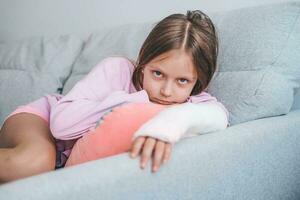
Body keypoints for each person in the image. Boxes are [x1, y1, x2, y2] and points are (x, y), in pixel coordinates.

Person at [0, 10, 228, 183]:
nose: (167, 92)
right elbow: (61, 125)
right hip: (41, 120)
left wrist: (172, 122)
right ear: (144, 62)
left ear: (197, 81)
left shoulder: (192, 102)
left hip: (62, 158)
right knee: (35, 162)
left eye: (182, 81)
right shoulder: (117, 69)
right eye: (157, 74)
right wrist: (134, 99)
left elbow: (219, 117)